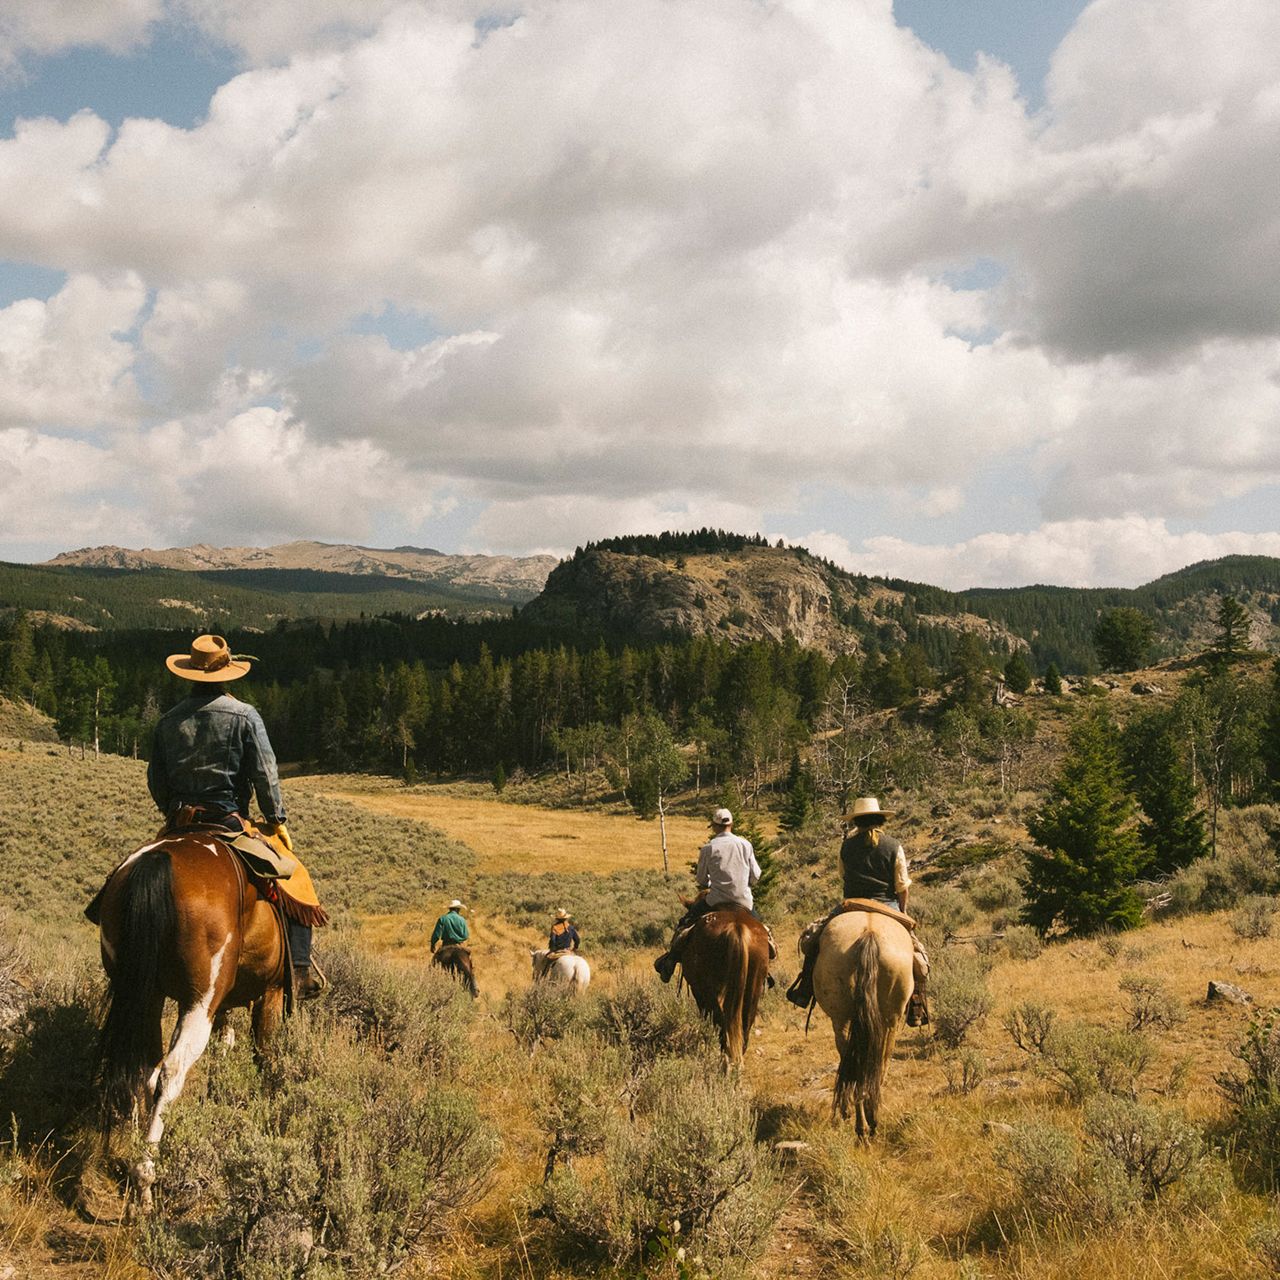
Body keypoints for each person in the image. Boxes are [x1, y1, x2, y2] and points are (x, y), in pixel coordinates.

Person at [147, 633, 326, 997]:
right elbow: (265, 773)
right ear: (227, 674)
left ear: (190, 672)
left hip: (179, 823)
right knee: (295, 876)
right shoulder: (244, 715)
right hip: (227, 822)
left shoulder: (167, 721)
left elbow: (156, 779)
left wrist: (173, 812)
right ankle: (299, 971)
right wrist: (275, 819)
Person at [785, 796, 929, 1024]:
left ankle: (804, 989)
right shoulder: (894, 845)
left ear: (856, 822)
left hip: (852, 903)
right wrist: (902, 913)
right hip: (887, 905)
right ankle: (917, 1006)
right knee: (918, 955)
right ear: (880, 820)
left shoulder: (846, 846)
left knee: (814, 942)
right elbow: (902, 886)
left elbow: (843, 876)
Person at [654, 807, 776, 981]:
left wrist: (713, 882)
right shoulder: (745, 844)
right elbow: (756, 876)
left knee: (685, 924)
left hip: (716, 900)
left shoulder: (708, 848)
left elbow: (701, 879)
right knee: (762, 930)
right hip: (744, 901)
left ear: (714, 826)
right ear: (731, 824)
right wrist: (743, 882)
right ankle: (765, 968)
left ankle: (670, 960)